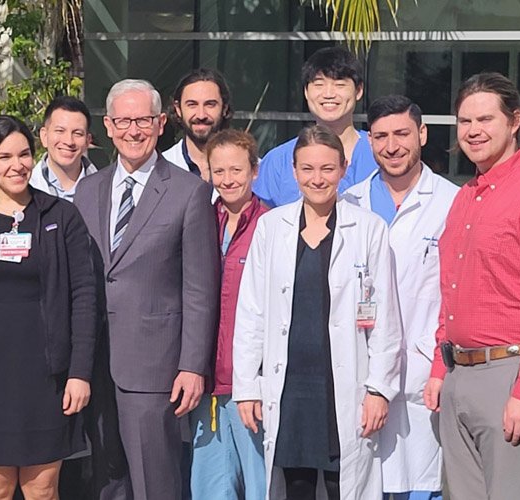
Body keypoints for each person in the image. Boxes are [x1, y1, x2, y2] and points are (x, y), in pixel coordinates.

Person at [423, 73, 520, 500]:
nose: (474, 131)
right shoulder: (464, 197)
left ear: (515, 121)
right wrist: (440, 369)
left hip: (509, 375)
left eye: (485, 119)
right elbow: (451, 291)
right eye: (465, 121)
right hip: (458, 374)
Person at [234, 124, 401, 500]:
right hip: (290, 384)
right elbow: (252, 313)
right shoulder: (271, 227)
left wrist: (378, 389)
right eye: (307, 169)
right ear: (294, 172)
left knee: (340, 483)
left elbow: (386, 316)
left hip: (343, 383)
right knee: (295, 485)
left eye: (327, 169)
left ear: (343, 169)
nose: (317, 178)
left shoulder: (368, 229)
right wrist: (246, 386)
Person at [73, 79, 221, 500]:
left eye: (142, 120)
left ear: (159, 124)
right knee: (105, 480)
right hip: (94, 362)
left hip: (154, 365)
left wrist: (193, 365)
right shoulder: (89, 189)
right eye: (123, 121)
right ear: (108, 125)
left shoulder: (188, 191)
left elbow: (200, 289)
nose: (132, 130)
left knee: (155, 482)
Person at [0, 115, 97, 500]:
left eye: (23, 154)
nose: (16, 165)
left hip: (47, 376)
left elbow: (83, 297)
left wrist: (79, 373)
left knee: (42, 487)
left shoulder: (59, 216)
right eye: (4, 157)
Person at [343, 95, 459, 500]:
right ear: (369, 142)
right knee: (364, 483)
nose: (391, 146)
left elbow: (456, 294)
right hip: (361, 369)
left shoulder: (451, 203)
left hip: (423, 370)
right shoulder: (348, 204)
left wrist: (442, 365)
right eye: (380, 136)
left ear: (422, 134)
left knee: (421, 483)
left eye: (401, 134)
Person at [189, 129, 268, 500]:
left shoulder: (273, 224)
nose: (227, 180)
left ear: (254, 170)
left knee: (258, 483)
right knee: (209, 486)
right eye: (218, 172)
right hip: (206, 380)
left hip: (252, 379)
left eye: (236, 170)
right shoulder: (199, 219)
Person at [253, 46, 378, 207]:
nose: (328, 94)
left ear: (358, 91)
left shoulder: (379, 154)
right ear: (306, 91)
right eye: (318, 84)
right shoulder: (278, 161)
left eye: (339, 85)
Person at [163, 68, 234, 182]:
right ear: (178, 109)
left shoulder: (252, 169)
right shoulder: (160, 169)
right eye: (192, 105)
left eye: (210, 104)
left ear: (224, 108)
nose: (201, 115)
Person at [29, 95, 98, 201]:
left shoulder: (106, 190)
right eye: (60, 131)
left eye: (77, 133)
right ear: (44, 136)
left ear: (87, 141)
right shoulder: (26, 189)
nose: (69, 141)